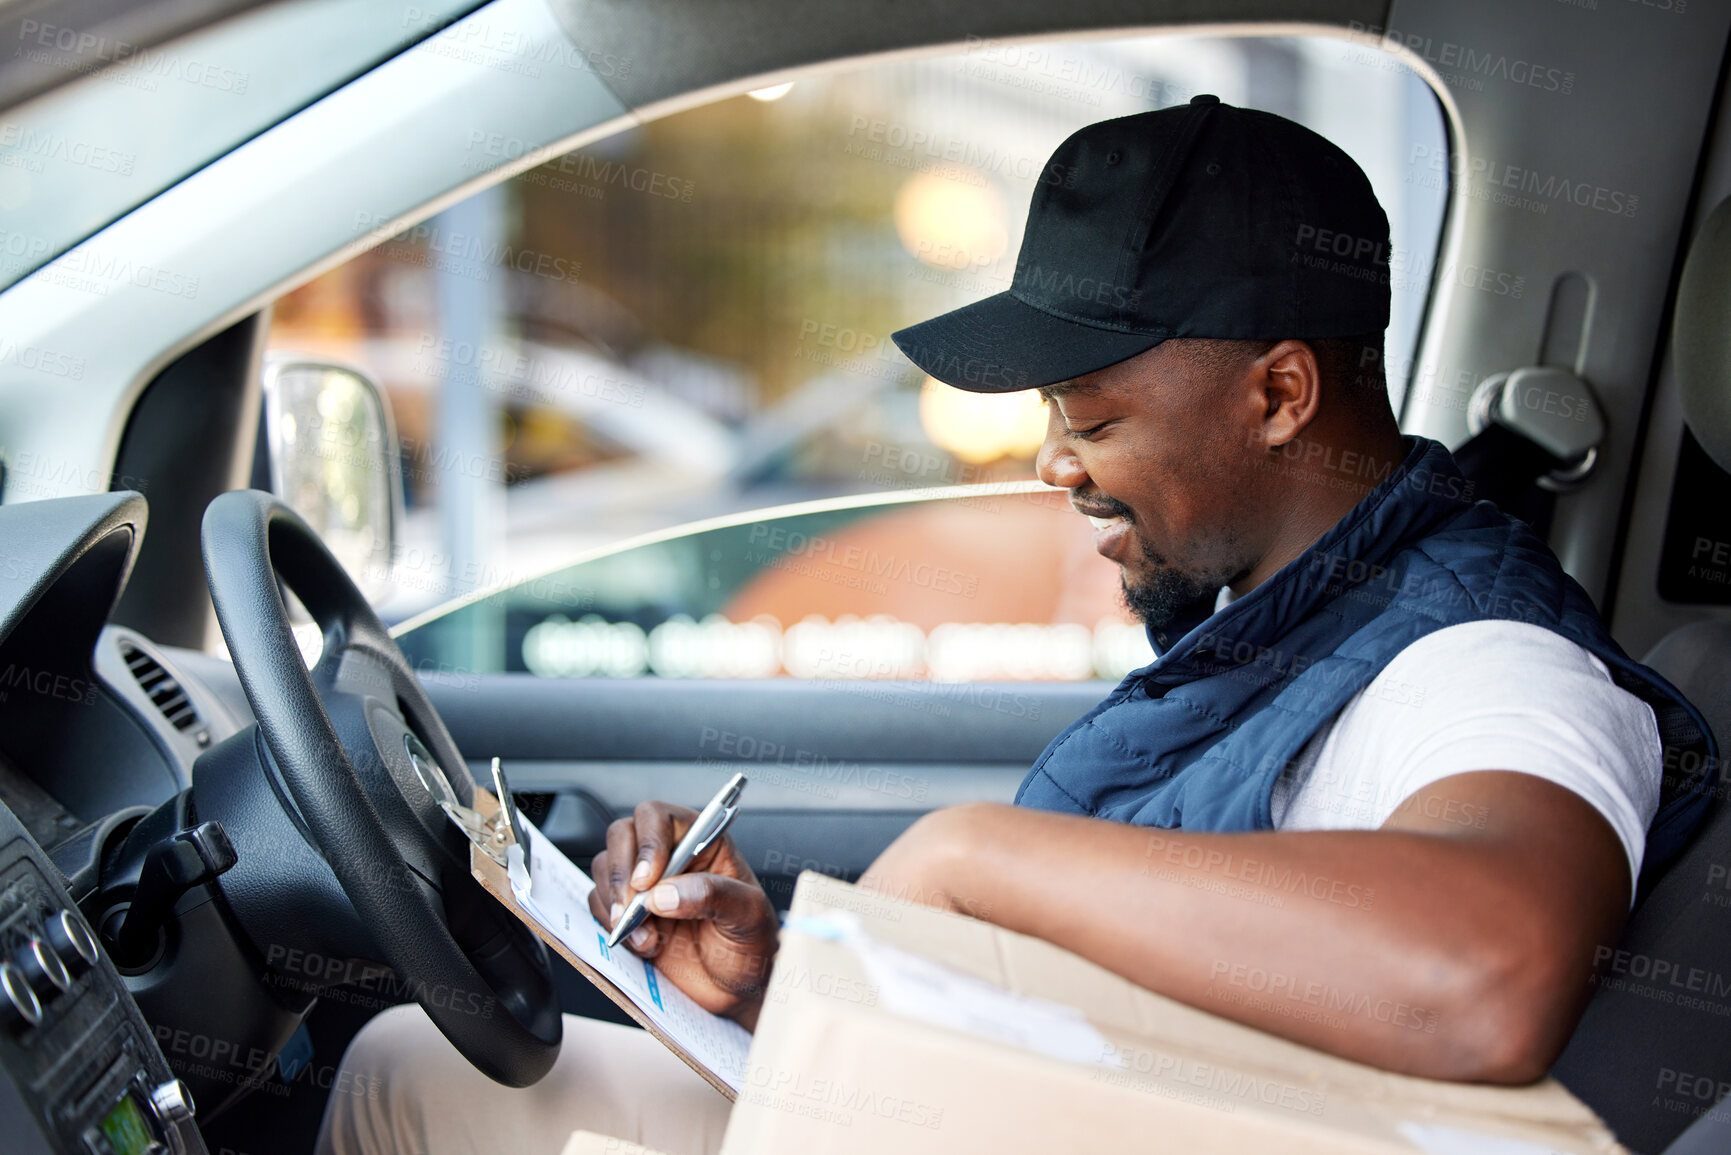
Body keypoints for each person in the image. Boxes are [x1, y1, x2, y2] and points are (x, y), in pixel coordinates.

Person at [317, 97, 1715, 1155]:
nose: (1054, 465)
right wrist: (787, 980)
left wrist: (975, 858)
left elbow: (1483, 978)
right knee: (411, 1061)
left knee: (415, 1081)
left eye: (1092, 416)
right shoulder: (1298, 620)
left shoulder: (1489, 660)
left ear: (1281, 394)